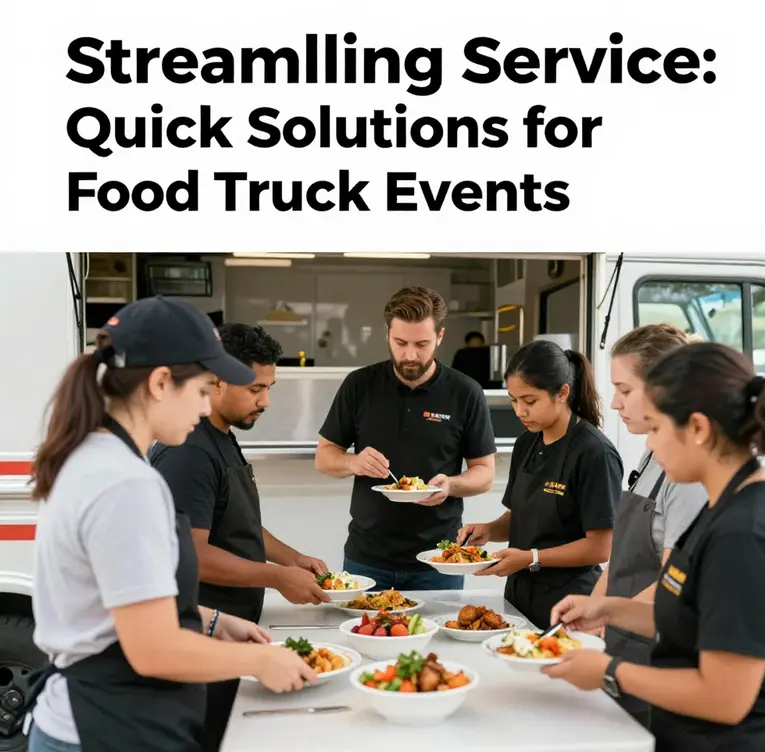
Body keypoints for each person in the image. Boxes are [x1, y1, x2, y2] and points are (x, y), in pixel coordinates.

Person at [25, 297, 316, 752]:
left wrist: (211, 619)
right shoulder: (125, 483)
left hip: (91, 719)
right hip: (106, 727)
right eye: (202, 391)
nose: (205, 409)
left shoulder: (93, 458)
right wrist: (258, 659)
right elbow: (153, 649)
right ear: (161, 382)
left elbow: (115, 604)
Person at [545, 342, 765, 752]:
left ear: (698, 428)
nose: (650, 445)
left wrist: (609, 671)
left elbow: (725, 697)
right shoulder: (724, 502)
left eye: (657, 429)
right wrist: (608, 609)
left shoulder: (746, 535)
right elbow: (694, 619)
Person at [149, 322, 329, 752]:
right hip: (203, 634)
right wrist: (276, 578)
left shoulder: (223, 437)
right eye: (255, 390)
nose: (265, 401)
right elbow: (192, 554)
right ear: (217, 381)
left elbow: (238, 522)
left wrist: (291, 558)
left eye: (269, 388)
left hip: (234, 627)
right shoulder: (188, 451)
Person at [314, 286, 497, 591]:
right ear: (387, 333)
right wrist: (354, 462)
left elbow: (485, 474)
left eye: (422, 344)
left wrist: (451, 485)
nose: (410, 355)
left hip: (439, 559)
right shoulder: (359, 385)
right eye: (400, 343)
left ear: (440, 336)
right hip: (366, 557)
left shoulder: (465, 392)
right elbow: (324, 457)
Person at [459, 339, 623, 630]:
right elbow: (520, 516)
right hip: (519, 598)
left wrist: (531, 558)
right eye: (513, 400)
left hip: (569, 605)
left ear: (562, 393)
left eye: (530, 401)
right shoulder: (527, 443)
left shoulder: (594, 453)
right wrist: (488, 530)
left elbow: (601, 547)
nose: (520, 411)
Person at [592, 324, 708, 727]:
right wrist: (593, 614)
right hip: (622, 644)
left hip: (657, 659)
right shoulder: (650, 457)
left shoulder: (688, 475)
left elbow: (676, 585)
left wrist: (607, 614)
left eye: (624, 390)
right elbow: (621, 555)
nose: (613, 403)